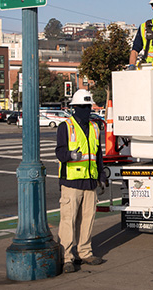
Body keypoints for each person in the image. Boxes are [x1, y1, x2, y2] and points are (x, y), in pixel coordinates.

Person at [55, 89, 108, 273]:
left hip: (90, 182)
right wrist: (70, 155)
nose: (87, 110)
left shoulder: (94, 127)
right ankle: (67, 257)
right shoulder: (66, 126)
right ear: (74, 108)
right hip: (71, 181)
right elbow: (59, 153)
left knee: (88, 219)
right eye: (83, 107)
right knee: (68, 220)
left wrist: (101, 175)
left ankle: (85, 252)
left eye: (88, 106)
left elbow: (98, 154)